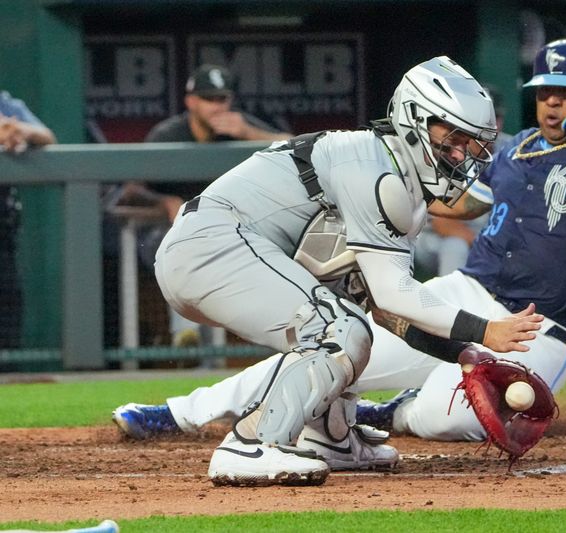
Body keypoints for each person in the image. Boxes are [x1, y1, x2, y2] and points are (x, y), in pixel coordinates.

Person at [114, 39, 566, 447]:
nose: (551, 99)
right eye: (544, 89)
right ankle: (178, 412)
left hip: (546, 325)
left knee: (455, 418)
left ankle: (385, 413)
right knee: (328, 341)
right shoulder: (506, 149)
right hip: (464, 294)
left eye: (565, 89)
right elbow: (442, 193)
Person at [112, 56, 543, 486]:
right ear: (415, 119)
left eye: (469, 144)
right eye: (451, 137)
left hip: (222, 250)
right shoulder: (375, 168)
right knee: (338, 329)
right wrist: (485, 330)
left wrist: (465, 353)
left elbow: (384, 308)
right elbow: (396, 294)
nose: (459, 153)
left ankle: (329, 437)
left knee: (348, 307)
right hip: (209, 245)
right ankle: (251, 442)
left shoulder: (398, 180)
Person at [121, 64, 293, 347]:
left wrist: (249, 134)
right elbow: (130, 190)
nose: (217, 106)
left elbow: (297, 147)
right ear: (191, 101)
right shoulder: (168, 135)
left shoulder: (242, 126)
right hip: (170, 233)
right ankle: (185, 335)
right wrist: (164, 201)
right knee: (184, 248)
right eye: (208, 99)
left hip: (234, 232)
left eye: (222, 99)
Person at [413, 86, 511, 278]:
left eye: (494, 119)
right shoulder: (448, 149)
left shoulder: (512, 149)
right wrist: (488, 250)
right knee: (455, 247)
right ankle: (451, 305)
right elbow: (443, 223)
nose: (489, 127)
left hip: (487, 238)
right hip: (435, 238)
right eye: (481, 120)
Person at [0, 91, 57, 350]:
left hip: (3, 233)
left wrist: (17, 129)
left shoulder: (4, 103)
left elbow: (47, 137)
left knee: (8, 313)